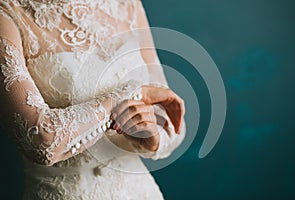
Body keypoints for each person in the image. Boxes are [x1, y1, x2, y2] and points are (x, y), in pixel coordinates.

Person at [0, 0, 186, 199]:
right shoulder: (8, 14)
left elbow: (172, 121)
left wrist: (151, 135)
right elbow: (40, 142)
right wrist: (132, 95)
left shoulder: (127, 5)